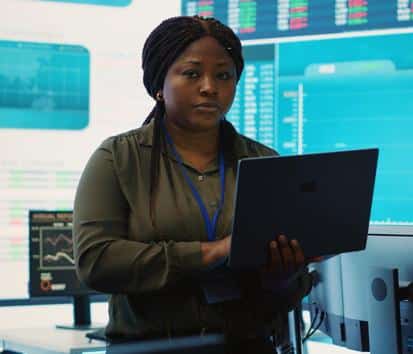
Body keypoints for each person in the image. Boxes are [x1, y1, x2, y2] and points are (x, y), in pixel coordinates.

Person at [73, 16, 314, 353]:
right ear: (160, 83)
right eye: (192, 73)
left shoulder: (264, 163)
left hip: (246, 346)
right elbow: (95, 261)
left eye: (223, 75)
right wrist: (210, 253)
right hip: (149, 349)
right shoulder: (119, 158)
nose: (209, 87)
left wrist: (283, 279)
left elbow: (290, 290)